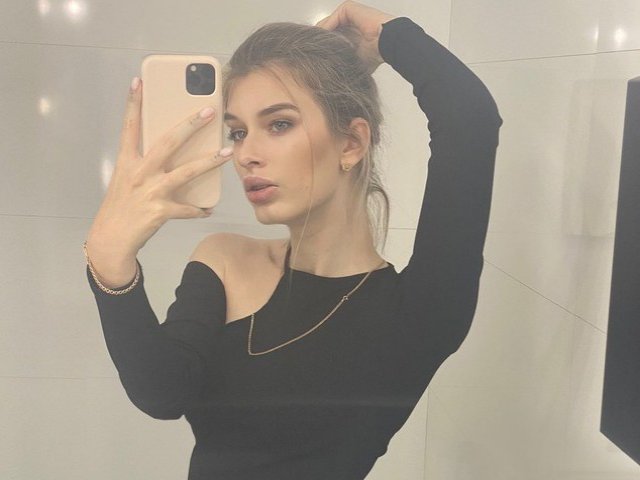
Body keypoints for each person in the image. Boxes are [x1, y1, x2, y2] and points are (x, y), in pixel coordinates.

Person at [84, 1, 503, 479]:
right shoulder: (223, 258)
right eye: (237, 132)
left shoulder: (420, 312)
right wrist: (109, 260)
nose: (246, 154)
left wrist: (388, 36)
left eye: (278, 124)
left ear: (351, 143)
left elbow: (470, 119)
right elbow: (163, 393)